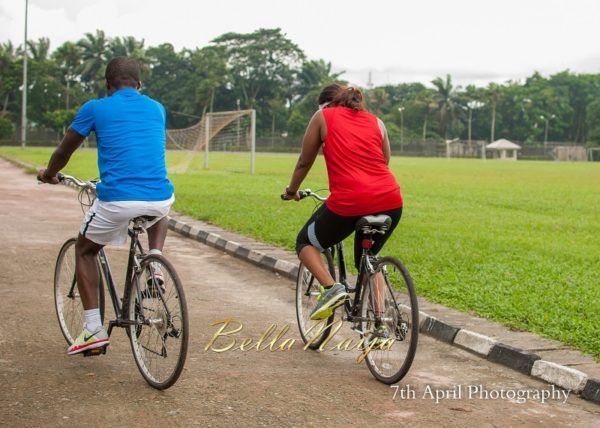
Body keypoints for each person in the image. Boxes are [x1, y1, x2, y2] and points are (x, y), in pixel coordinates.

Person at [37, 56, 174, 355]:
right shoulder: (156, 108)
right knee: (158, 205)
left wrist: (49, 174)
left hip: (117, 199)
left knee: (85, 249)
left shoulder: (96, 108)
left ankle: (93, 329)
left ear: (108, 85)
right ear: (138, 84)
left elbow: (64, 150)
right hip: (161, 196)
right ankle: (155, 262)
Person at [282, 84, 403, 325]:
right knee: (369, 259)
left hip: (350, 201)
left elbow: (305, 162)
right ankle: (380, 321)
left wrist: (291, 191)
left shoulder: (322, 117)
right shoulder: (377, 122)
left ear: (326, 105)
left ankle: (331, 289)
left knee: (305, 242)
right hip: (391, 200)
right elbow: (384, 160)